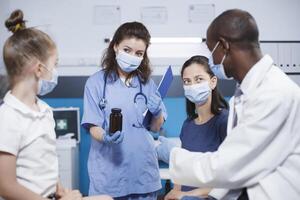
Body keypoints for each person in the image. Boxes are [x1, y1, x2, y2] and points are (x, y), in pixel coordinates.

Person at [156, 9, 300, 200]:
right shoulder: (247, 93)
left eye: (211, 51)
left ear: (223, 46)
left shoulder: (273, 93)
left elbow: (228, 166)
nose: (213, 60)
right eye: (187, 81)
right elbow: (238, 169)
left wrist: (172, 156)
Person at [0, 10, 112, 200]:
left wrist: (61, 190)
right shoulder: (8, 117)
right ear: (39, 69)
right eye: (55, 64)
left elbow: (46, 164)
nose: (55, 71)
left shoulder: (44, 111)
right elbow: (5, 186)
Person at [81, 22, 167, 199]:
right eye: (127, 50)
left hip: (143, 174)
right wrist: (105, 136)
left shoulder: (147, 84)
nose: (132, 56)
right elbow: (92, 125)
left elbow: (155, 128)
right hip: (109, 177)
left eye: (139, 53)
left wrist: (157, 112)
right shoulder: (96, 83)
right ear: (115, 47)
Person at [164, 55, 229, 200]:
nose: (192, 85)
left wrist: (187, 195)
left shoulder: (224, 121)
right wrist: (176, 191)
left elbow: (228, 178)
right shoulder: (188, 125)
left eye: (199, 79)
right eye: (187, 81)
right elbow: (182, 168)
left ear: (212, 82)